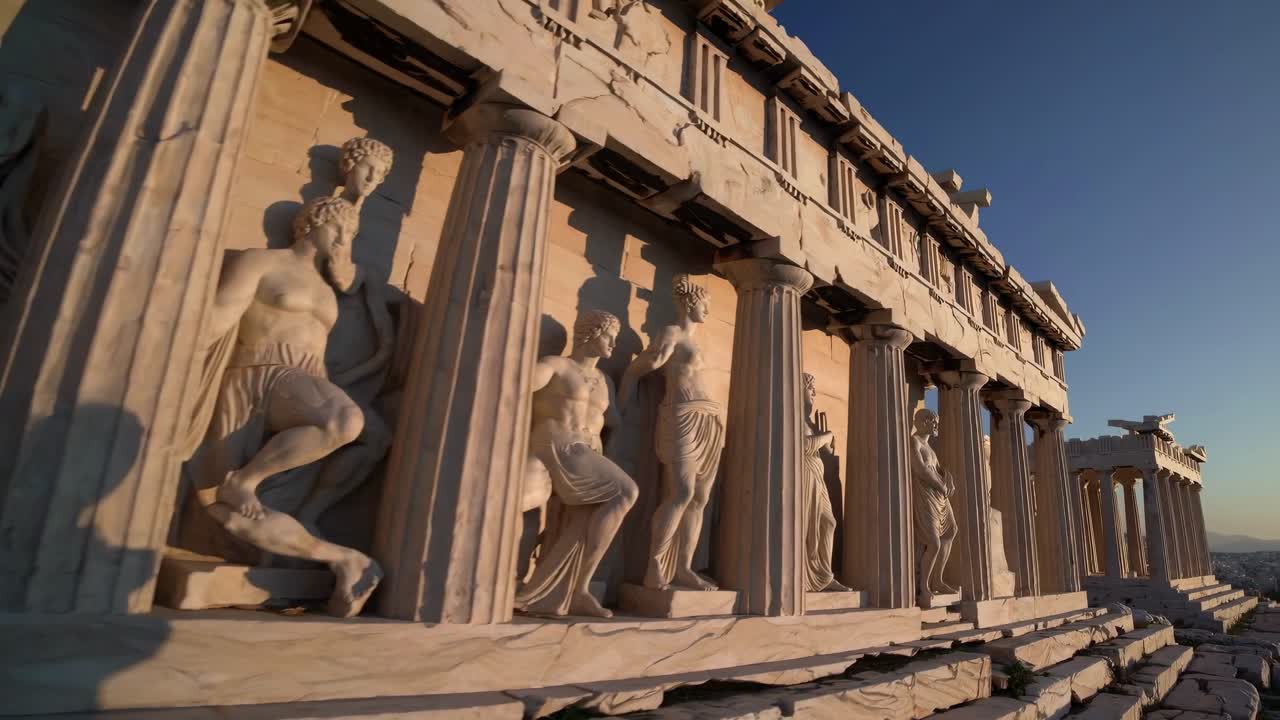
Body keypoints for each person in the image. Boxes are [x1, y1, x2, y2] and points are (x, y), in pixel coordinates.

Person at [186, 195, 381, 617]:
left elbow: (319, 350)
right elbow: (221, 313)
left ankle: (345, 558)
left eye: (352, 234)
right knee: (220, 508)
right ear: (310, 223)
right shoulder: (263, 261)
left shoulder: (329, 289)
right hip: (255, 372)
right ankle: (344, 558)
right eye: (339, 229)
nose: (345, 239)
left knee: (353, 425)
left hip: (301, 383)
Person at [517, 310, 638, 617]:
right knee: (625, 491)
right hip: (558, 444)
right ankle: (579, 588)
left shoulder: (604, 380)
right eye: (609, 335)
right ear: (591, 333)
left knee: (591, 517)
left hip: (586, 452)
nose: (613, 343)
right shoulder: (556, 365)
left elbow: (615, 419)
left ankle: (558, 593)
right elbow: (516, 385)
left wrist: (635, 376)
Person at [619, 274, 724, 591]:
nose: (707, 309)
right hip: (679, 415)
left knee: (700, 499)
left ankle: (683, 568)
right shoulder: (672, 332)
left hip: (707, 418)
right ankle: (655, 566)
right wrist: (623, 395)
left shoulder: (693, 341)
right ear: (692, 302)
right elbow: (643, 366)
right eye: (705, 303)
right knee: (680, 492)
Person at [911, 408, 959, 598]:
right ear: (922, 422)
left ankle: (937, 580)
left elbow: (939, 469)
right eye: (933, 421)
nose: (936, 425)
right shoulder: (914, 441)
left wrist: (949, 479)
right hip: (925, 497)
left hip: (940, 497)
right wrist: (941, 485)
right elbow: (921, 469)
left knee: (950, 532)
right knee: (933, 542)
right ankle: (924, 586)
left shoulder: (929, 447)